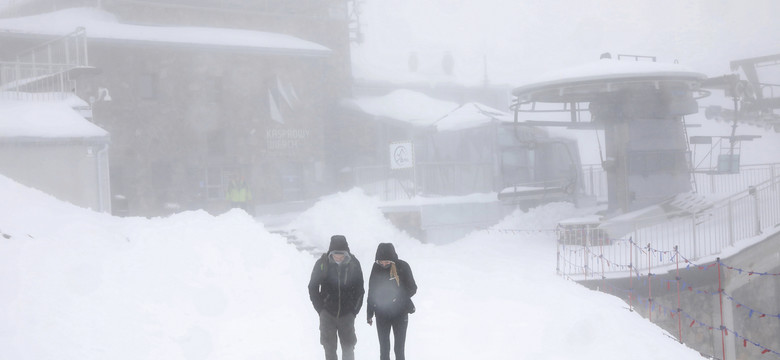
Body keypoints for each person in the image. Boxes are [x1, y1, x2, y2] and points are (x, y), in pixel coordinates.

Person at [308, 235, 365, 360]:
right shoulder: (322, 264)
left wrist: (353, 311)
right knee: (329, 349)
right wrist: (321, 309)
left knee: (349, 348)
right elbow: (312, 287)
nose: (339, 257)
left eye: (342, 254)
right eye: (335, 254)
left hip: (347, 315)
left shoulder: (354, 264)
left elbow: (360, 290)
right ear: (331, 253)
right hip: (327, 314)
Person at [366, 243, 417, 360]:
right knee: (384, 349)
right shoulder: (376, 268)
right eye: (381, 262)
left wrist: (398, 297)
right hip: (381, 313)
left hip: (400, 312)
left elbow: (413, 288)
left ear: (393, 259)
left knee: (399, 349)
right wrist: (369, 313)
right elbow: (371, 290)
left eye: (387, 262)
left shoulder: (403, 266)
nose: (384, 264)